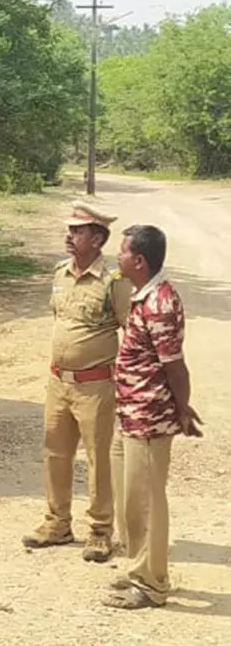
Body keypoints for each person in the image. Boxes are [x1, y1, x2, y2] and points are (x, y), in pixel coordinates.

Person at [22, 201, 132, 561]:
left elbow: (130, 331)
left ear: (97, 239)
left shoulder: (114, 283)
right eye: (69, 230)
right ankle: (56, 523)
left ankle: (100, 531)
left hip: (96, 386)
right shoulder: (60, 274)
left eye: (78, 231)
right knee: (55, 452)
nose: (69, 236)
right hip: (59, 384)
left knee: (99, 458)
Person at [102, 223, 202, 610]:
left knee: (146, 501)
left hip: (148, 418)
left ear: (139, 261)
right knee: (128, 500)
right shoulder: (144, 295)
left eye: (122, 252)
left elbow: (175, 368)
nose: (118, 257)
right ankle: (137, 568)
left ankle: (152, 583)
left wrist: (182, 409)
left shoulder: (159, 303)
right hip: (128, 413)